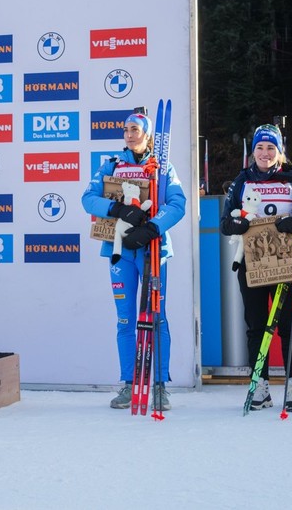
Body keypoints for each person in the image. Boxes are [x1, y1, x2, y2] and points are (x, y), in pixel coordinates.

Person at [81, 110, 186, 411]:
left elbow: (178, 203)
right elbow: (88, 198)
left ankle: (160, 386)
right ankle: (130, 383)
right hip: (120, 251)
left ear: (147, 135)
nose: (129, 134)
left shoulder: (162, 167)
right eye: (126, 129)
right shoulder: (112, 165)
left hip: (152, 250)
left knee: (156, 315)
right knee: (125, 318)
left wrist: (152, 228)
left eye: (135, 129)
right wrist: (118, 210)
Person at [219, 124, 292, 412]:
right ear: (252, 151)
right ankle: (260, 384)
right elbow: (225, 223)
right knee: (256, 325)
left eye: (270, 148)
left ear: (279, 151)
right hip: (252, 262)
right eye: (259, 147)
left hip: (284, 262)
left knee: (288, 326)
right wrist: (236, 224)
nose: (264, 153)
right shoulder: (242, 180)